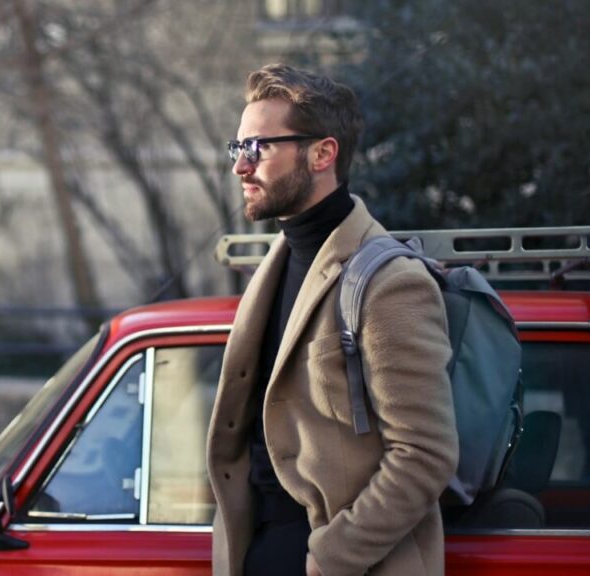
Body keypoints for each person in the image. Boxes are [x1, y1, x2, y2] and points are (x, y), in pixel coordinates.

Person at [206, 64, 459, 576]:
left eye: (259, 148)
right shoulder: (274, 265)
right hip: (258, 548)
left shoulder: (390, 282)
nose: (240, 166)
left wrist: (331, 557)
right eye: (238, 148)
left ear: (322, 153)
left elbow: (425, 454)